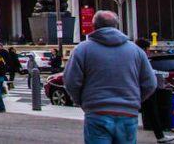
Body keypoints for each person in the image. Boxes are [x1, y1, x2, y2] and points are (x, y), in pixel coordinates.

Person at [63, 10, 156, 144]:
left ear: (94, 26)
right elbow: (150, 83)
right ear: (116, 26)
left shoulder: (82, 49)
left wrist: (82, 101)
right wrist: (134, 100)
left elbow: (71, 81)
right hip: (128, 112)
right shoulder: (136, 51)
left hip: (97, 110)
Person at [135, 38, 174, 143]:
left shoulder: (134, 55)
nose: (149, 51)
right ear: (145, 48)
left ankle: (160, 135)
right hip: (145, 89)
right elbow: (147, 73)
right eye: (148, 48)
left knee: (144, 112)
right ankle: (160, 136)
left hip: (136, 89)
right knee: (152, 112)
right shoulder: (141, 56)